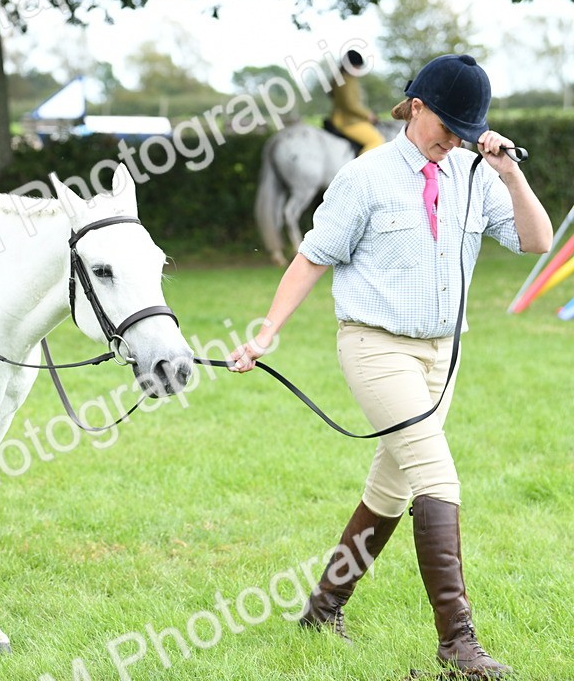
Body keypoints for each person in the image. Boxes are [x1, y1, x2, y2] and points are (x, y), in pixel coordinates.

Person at [229, 54, 552, 679]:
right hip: (375, 347)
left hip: (441, 354)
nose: (454, 139)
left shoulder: (473, 172)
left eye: (466, 129)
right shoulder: (365, 176)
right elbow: (312, 257)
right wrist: (264, 334)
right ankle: (458, 644)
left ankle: (323, 608)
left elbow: (536, 241)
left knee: (392, 487)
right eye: (447, 126)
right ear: (417, 107)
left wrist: (509, 174)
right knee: (436, 478)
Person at [328, 49, 384, 154]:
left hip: (352, 119)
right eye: (357, 67)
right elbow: (350, 105)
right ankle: (360, 169)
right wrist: (368, 115)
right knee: (376, 140)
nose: (358, 70)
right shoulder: (345, 80)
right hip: (348, 121)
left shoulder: (346, 79)